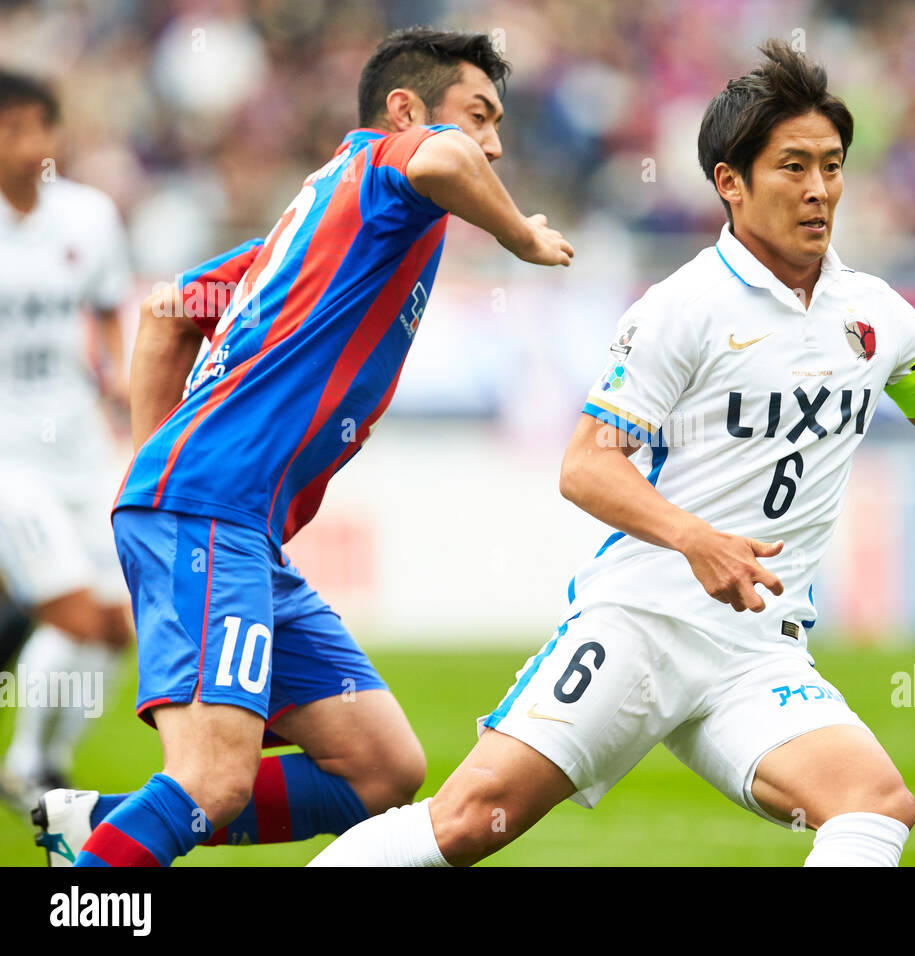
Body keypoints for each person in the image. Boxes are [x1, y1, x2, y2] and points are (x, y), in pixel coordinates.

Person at [310, 40, 915, 868]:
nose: (820, 189)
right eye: (793, 166)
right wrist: (695, 540)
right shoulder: (684, 309)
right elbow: (587, 465)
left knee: (874, 807)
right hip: (643, 624)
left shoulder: (875, 319)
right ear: (731, 183)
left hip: (759, 651)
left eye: (833, 166)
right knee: (472, 822)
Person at [32, 27, 573, 867]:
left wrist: (154, 464)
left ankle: (107, 826)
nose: (493, 143)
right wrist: (522, 238)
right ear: (406, 112)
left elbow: (166, 312)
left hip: (226, 519)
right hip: (209, 511)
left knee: (379, 769)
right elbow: (443, 162)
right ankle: (104, 874)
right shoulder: (388, 174)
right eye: (479, 115)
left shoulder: (322, 216)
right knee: (214, 781)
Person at [0, 69, 133, 810]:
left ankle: (47, 763)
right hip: (8, 459)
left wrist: (115, 374)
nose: (28, 145)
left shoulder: (89, 217)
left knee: (116, 630)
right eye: (11, 128)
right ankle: (24, 764)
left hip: (78, 449)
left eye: (38, 127)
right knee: (75, 614)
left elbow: (110, 307)